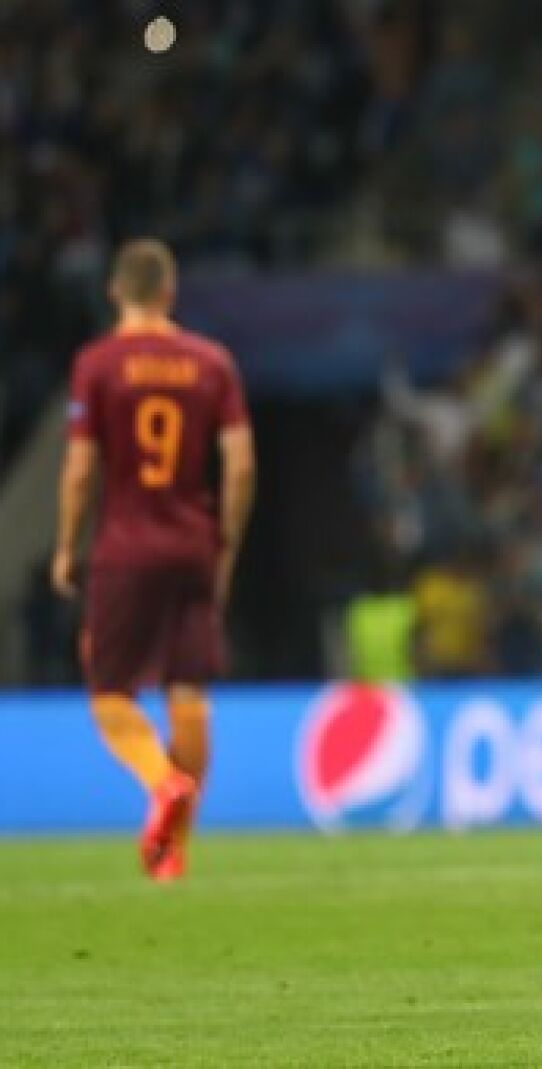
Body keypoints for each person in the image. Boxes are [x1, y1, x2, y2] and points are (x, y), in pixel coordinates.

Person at [53, 238, 255, 882]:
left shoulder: (97, 364)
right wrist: (224, 544)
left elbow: (82, 471)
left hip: (125, 548)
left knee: (110, 693)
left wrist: (64, 547)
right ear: (169, 293)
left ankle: (162, 782)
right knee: (188, 694)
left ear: (115, 292)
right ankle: (174, 854)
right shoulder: (212, 363)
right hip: (193, 543)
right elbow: (242, 463)